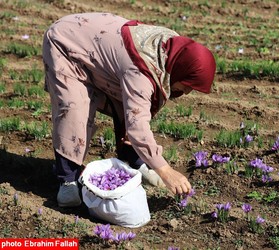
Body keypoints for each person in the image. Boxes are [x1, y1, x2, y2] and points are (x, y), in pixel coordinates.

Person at [42, 13, 216, 207]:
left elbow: (140, 105)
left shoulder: (171, 52)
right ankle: (68, 178)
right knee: (74, 111)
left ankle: (132, 158)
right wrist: (165, 170)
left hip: (95, 43)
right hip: (66, 42)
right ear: (181, 69)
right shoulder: (140, 71)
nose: (188, 91)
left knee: (129, 102)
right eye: (188, 85)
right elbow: (137, 125)